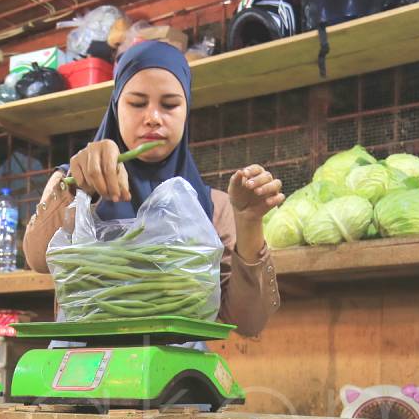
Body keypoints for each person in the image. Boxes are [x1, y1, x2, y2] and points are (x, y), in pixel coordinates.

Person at [23, 41, 283, 337]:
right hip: (83, 368)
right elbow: (37, 259)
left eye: (170, 105)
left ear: (187, 111)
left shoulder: (213, 207)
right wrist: (77, 189)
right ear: (115, 106)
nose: (153, 118)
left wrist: (249, 224)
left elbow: (248, 323)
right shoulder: (71, 182)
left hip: (174, 369)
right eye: (137, 103)